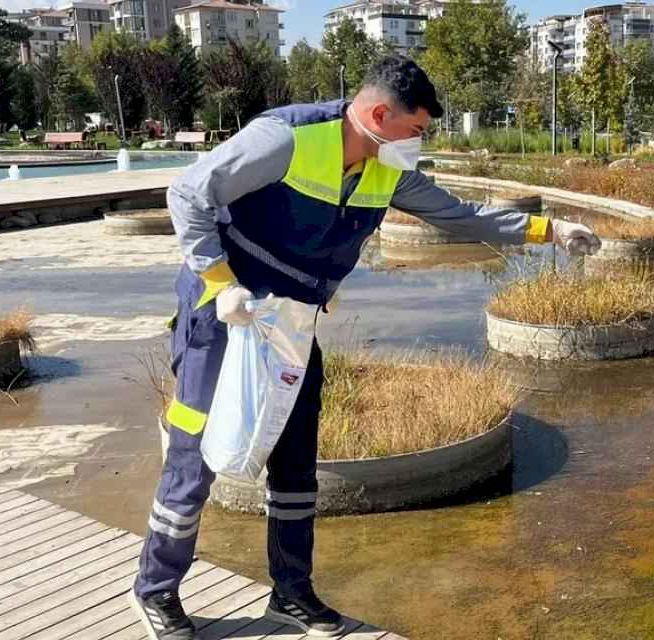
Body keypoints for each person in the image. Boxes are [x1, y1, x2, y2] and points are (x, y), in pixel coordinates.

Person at [129, 55, 600, 640]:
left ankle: (292, 595)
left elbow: (458, 216)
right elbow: (188, 193)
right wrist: (221, 284)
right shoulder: (285, 140)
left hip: (292, 326)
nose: (418, 145)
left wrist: (548, 229)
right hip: (224, 314)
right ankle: (156, 590)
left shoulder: (387, 168)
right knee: (194, 453)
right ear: (379, 114)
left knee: (296, 462)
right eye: (416, 131)